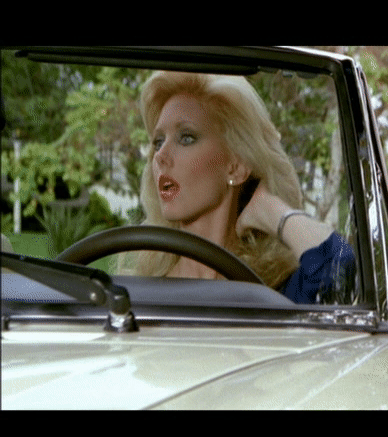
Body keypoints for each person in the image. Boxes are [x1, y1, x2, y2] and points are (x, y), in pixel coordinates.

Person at [121, 71, 355, 303]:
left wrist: (270, 209)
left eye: (186, 138)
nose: (160, 156)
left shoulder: (275, 295)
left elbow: (339, 266)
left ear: (236, 166)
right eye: (158, 142)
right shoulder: (133, 296)